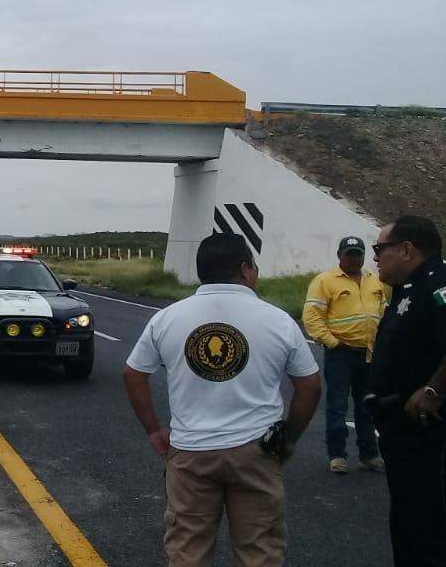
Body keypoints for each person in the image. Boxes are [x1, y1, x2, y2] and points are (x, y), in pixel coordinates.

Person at [123, 233, 321, 566]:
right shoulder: (278, 320)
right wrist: (288, 439)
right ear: (244, 269)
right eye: (253, 266)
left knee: (188, 551)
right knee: (260, 551)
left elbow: (133, 374)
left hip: (190, 452)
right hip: (257, 451)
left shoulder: (167, 318)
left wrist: (155, 431)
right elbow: (311, 386)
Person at [367, 215, 446, 565]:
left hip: (426, 432)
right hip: (401, 429)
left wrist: (433, 389)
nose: (375, 257)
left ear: (407, 250)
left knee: (425, 525)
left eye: (379, 249)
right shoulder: (411, 287)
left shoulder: (439, 285)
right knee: (408, 518)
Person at [303, 236, 389, 474]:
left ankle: (369, 455)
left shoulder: (374, 281)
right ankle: (337, 455)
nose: (354, 259)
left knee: (367, 405)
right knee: (337, 405)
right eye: (349, 254)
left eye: (358, 254)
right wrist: (333, 343)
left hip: (369, 353)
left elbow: (382, 311)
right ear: (340, 256)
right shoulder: (325, 281)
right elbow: (312, 317)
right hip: (340, 353)